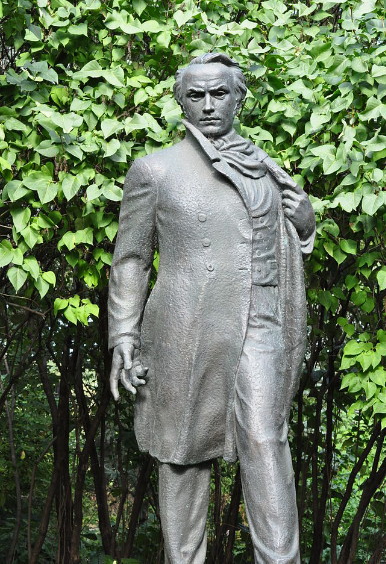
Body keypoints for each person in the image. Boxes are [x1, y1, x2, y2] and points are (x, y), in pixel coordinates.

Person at [108, 53, 315, 564]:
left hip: (263, 324)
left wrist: (305, 225)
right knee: (182, 451)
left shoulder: (266, 168)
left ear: (239, 98)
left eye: (218, 93)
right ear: (180, 100)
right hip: (185, 327)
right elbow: (131, 259)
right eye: (195, 95)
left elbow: (282, 243)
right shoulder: (154, 170)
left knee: (267, 441)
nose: (207, 105)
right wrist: (123, 337)